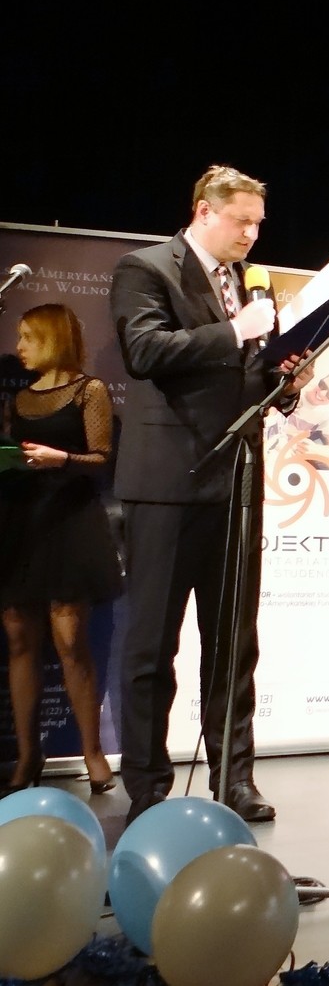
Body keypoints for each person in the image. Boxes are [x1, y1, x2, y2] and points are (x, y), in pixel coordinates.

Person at [110, 164, 312, 823]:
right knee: (152, 648)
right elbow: (144, 350)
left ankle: (235, 778)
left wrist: (288, 380)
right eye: (241, 221)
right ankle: (149, 789)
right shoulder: (146, 269)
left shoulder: (249, 284)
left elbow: (251, 380)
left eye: (259, 224)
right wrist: (237, 331)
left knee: (234, 644)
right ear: (203, 210)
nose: (251, 234)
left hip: (237, 483)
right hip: (166, 484)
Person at [0, 305, 120, 796]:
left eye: (28, 337)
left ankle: (92, 752)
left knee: (70, 639)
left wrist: (61, 458)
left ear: (53, 339)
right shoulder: (21, 398)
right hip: (23, 520)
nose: (19, 347)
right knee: (19, 638)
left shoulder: (89, 390)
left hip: (71, 520)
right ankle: (29, 754)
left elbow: (102, 458)